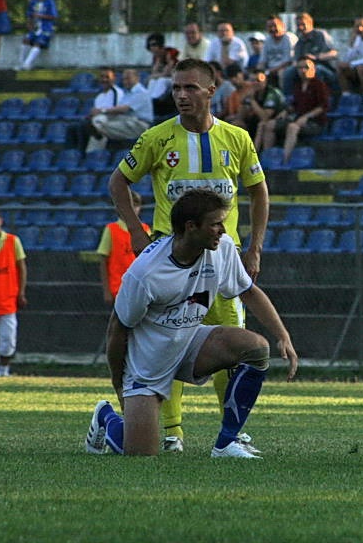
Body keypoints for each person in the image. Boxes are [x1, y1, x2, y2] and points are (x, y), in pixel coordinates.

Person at [107, 58, 270, 454]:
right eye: (177, 88)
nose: (181, 95)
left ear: (211, 91)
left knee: (235, 346)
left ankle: (231, 434)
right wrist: (134, 229)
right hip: (171, 261)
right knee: (167, 342)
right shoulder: (157, 138)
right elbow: (119, 181)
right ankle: (172, 430)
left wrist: (253, 246)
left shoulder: (237, 138)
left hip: (219, 261)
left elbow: (259, 191)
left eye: (190, 88)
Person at [84, 189, 297, 458]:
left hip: (189, 344)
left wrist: (282, 335)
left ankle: (226, 443)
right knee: (141, 456)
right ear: (191, 227)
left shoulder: (223, 248)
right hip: (147, 365)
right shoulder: (146, 273)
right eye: (215, 224)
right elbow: (118, 329)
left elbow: (249, 290)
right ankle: (107, 418)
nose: (222, 229)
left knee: (255, 347)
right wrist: (119, 384)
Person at [258, 57, 329, 163]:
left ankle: (285, 160)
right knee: (269, 125)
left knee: (292, 127)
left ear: (313, 68)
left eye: (306, 67)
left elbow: (323, 106)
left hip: (315, 122)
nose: (303, 70)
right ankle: (269, 158)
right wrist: (285, 111)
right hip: (297, 119)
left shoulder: (319, 85)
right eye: (300, 68)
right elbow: (295, 105)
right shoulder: (297, 85)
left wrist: (307, 116)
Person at [97, 191, 151, 308]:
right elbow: (103, 260)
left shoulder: (145, 229)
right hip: (117, 288)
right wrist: (106, 290)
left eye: (136, 205)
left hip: (140, 290)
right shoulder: (111, 229)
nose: (134, 209)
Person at [0, 206, 27, 377]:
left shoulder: (13, 241)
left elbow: (22, 267)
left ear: (0, 221)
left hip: (7, 299)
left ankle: (4, 370)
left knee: (8, 339)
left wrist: (21, 292)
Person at [88, 68, 153, 150]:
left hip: (139, 124)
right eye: (124, 79)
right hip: (126, 120)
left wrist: (102, 110)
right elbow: (118, 110)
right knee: (98, 119)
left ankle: (97, 133)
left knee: (99, 126)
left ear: (137, 78)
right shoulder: (127, 93)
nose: (125, 81)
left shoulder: (141, 92)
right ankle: (93, 152)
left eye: (128, 78)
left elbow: (124, 109)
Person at [66, 67, 123, 152]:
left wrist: (100, 111)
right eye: (102, 77)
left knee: (84, 126)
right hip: (96, 121)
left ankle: (83, 152)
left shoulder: (117, 92)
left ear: (113, 78)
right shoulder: (99, 96)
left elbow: (116, 110)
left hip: (109, 121)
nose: (104, 80)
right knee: (72, 127)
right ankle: (72, 154)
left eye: (107, 77)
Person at [283, 12, 338, 96]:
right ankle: (290, 98)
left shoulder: (320, 35)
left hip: (325, 68)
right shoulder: (299, 42)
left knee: (317, 70)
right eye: (298, 25)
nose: (301, 27)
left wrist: (316, 57)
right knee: (288, 72)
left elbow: (334, 53)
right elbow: (296, 60)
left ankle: (321, 97)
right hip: (305, 67)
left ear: (310, 23)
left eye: (303, 24)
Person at [18, 0, 57, 71]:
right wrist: (29, 23)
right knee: (26, 40)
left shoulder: (50, 2)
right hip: (35, 28)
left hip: (45, 28)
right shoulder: (33, 1)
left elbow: (53, 16)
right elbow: (29, 14)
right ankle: (20, 63)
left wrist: (40, 15)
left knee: (38, 43)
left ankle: (27, 64)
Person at [235, 67, 284, 138]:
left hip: (275, 122)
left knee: (261, 124)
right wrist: (243, 101)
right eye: (252, 80)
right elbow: (240, 116)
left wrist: (252, 100)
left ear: (265, 80)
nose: (255, 83)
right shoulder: (253, 92)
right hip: (257, 122)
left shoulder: (272, 93)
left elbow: (265, 117)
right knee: (236, 123)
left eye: (259, 80)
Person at [145, 33, 180, 119]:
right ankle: (148, 101)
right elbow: (154, 73)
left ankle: (154, 101)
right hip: (164, 78)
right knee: (153, 81)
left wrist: (154, 76)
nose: (152, 48)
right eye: (150, 45)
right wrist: (158, 61)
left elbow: (167, 73)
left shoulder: (170, 53)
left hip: (176, 79)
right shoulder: (156, 57)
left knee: (161, 80)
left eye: (154, 45)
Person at [260, 15, 297, 89]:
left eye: (274, 26)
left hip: (286, 68)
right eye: (269, 26)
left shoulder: (289, 38)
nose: (272, 29)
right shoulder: (267, 40)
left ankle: (284, 97)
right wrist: (258, 71)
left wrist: (270, 71)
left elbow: (287, 61)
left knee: (282, 74)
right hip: (270, 69)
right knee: (256, 77)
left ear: (282, 26)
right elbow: (263, 60)